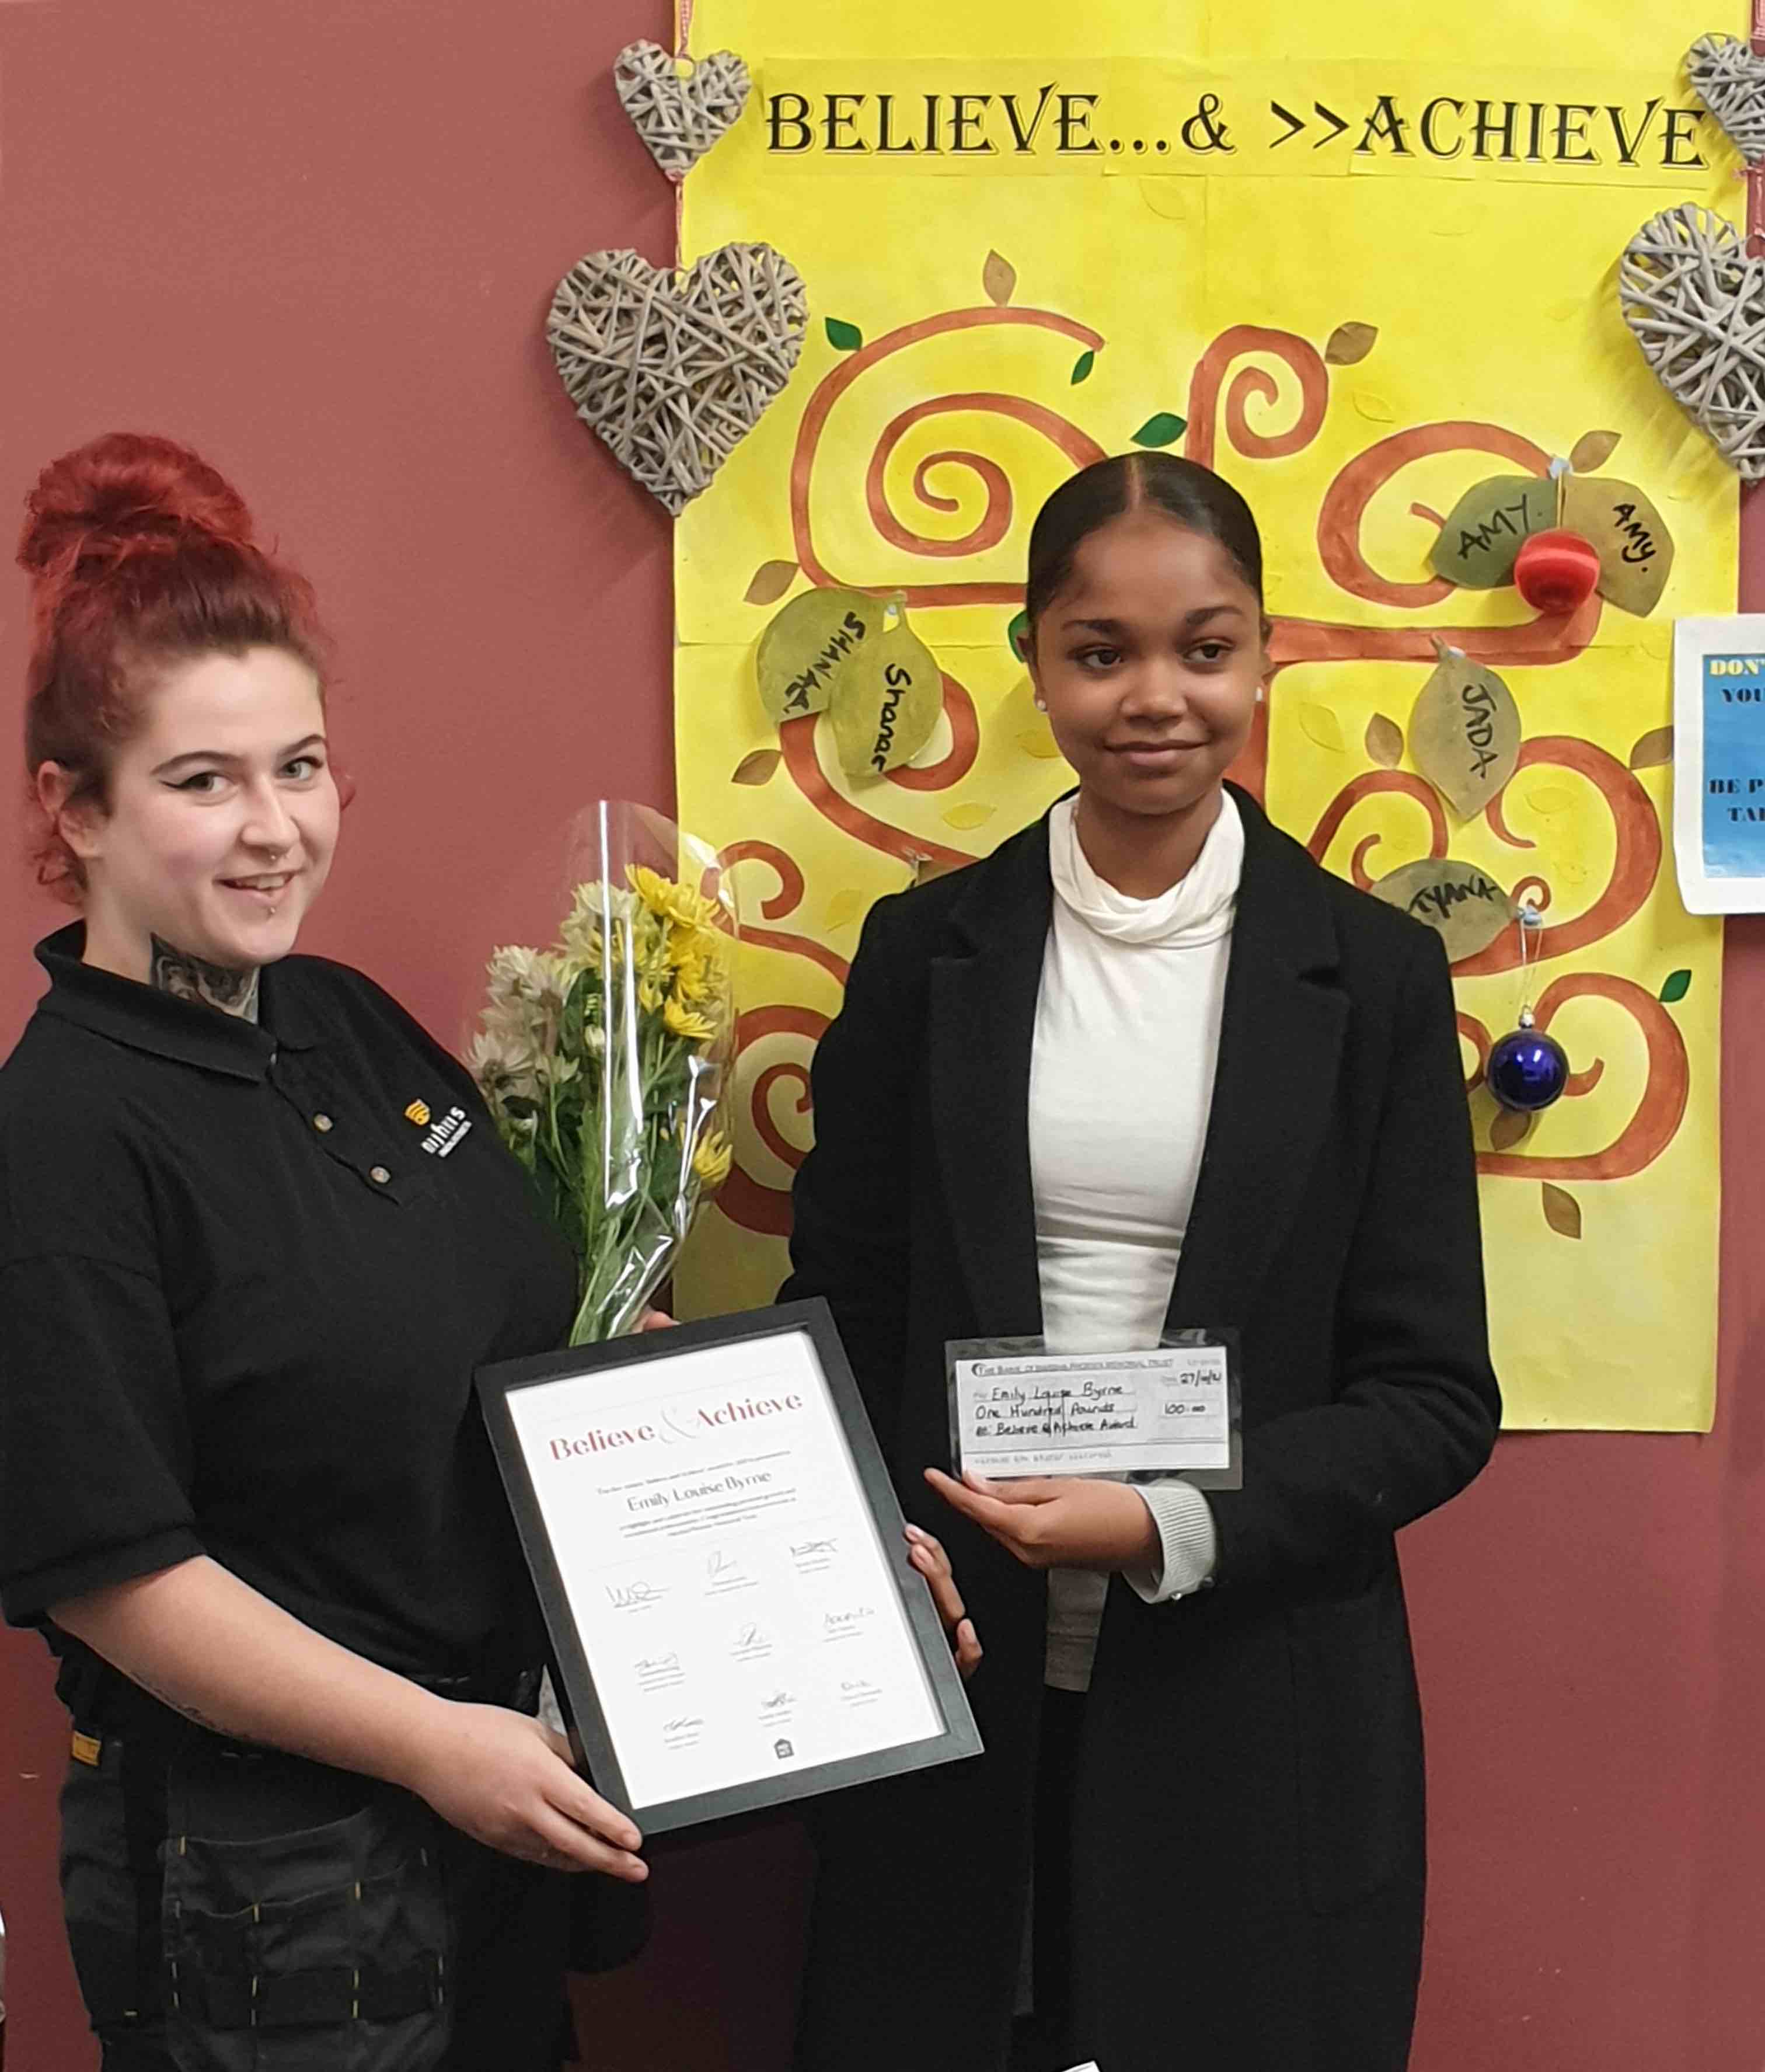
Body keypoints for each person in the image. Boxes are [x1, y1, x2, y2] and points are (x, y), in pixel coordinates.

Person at [784, 451, 1502, 2072]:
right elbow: (841, 1310)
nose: (1155, 698)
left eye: (1206, 647)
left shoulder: (1372, 976)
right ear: (1034, 658)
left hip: (1254, 1700)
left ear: (1269, 657)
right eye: (1100, 653)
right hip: (953, 1678)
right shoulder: (925, 956)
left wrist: (1167, 1522)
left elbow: (1434, 1397)